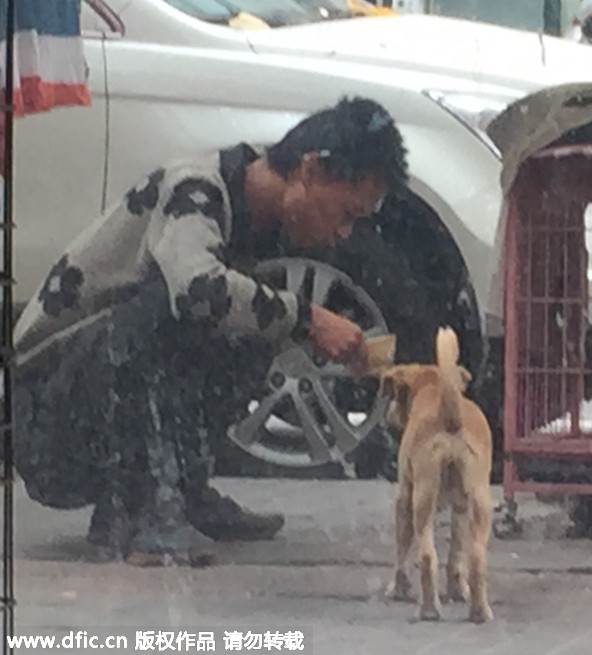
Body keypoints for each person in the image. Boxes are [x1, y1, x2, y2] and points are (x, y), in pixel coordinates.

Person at [12, 96, 409, 566]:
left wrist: (306, 332)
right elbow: (196, 290)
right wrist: (308, 318)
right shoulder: (197, 187)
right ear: (311, 169)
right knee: (183, 305)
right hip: (46, 421)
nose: (344, 233)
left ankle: (182, 490)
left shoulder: (259, 212)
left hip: (83, 398)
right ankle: (137, 512)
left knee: (254, 316)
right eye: (347, 214)